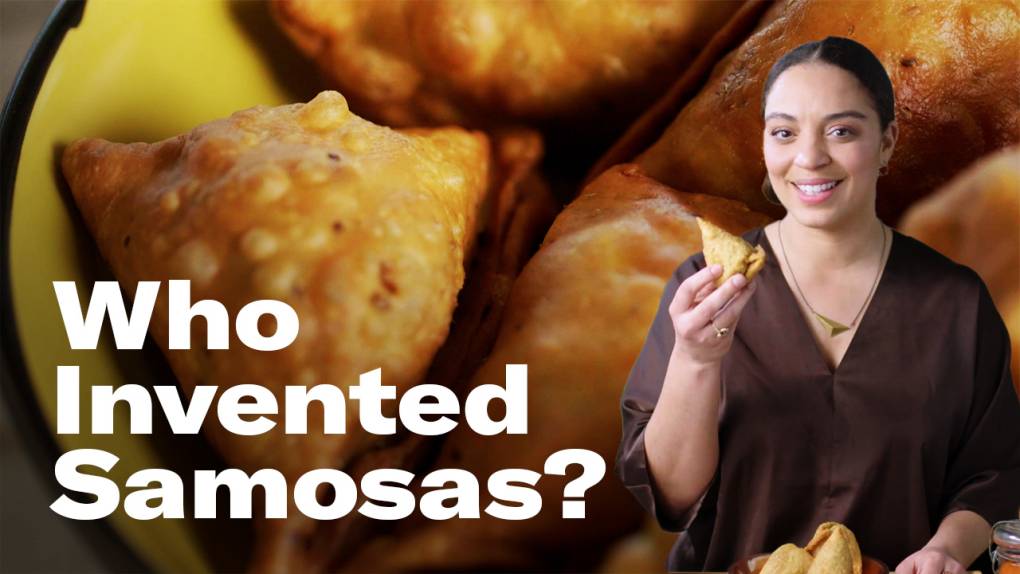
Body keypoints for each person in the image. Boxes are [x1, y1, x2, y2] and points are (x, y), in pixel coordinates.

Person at [616, 36, 1020, 573]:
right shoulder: (703, 285)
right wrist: (696, 357)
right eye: (784, 132)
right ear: (764, 146)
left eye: (842, 131)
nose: (809, 158)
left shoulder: (955, 301)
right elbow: (669, 495)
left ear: (888, 142)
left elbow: (992, 476)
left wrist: (945, 551)